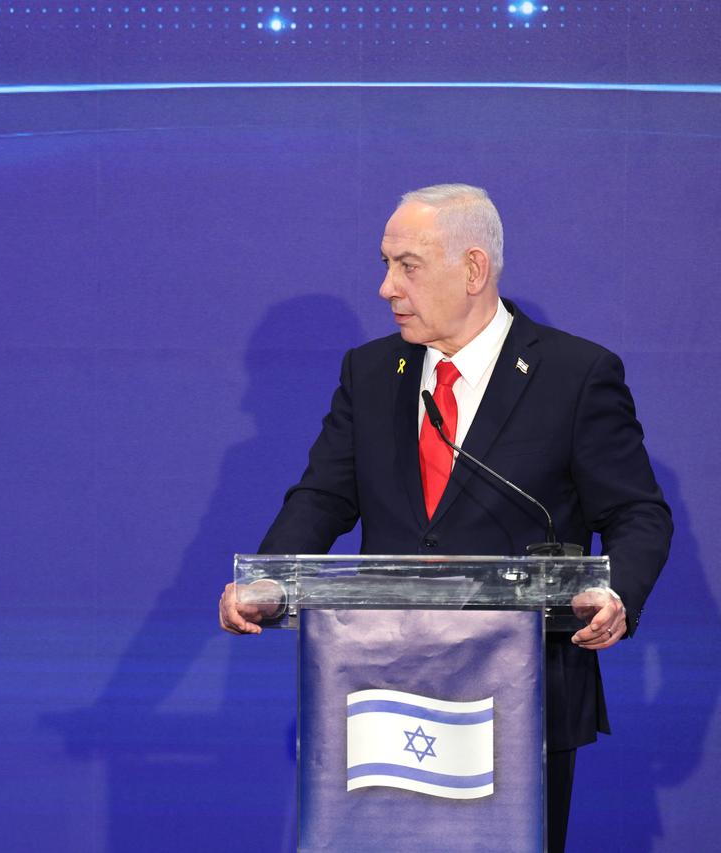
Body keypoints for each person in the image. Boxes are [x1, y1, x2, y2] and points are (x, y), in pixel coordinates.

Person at [218, 184, 671, 850]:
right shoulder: (373, 372)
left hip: (519, 695)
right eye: (385, 263)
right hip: (381, 690)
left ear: (473, 270)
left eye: (407, 265)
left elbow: (638, 513)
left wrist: (618, 593)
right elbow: (322, 496)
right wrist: (272, 576)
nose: (385, 287)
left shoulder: (575, 375)